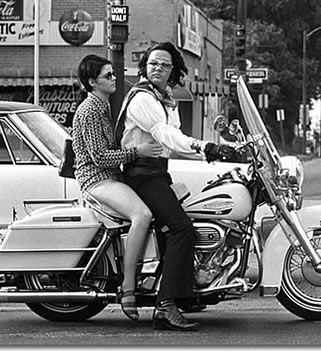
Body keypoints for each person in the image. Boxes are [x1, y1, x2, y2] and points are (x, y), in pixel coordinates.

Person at [115, 41, 232, 331]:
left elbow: (177, 137)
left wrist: (216, 149)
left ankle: (179, 295)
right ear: (145, 66)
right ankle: (166, 306)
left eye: (165, 65)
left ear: (172, 71)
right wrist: (205, 146)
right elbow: (165, 135)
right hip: (141, 176)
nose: (158, 68)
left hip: (157, 173)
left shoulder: (165, 98)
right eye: (153, 63)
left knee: (175, 231)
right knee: (181, 229)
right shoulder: (142, 98)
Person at [71, 54, 163, 321]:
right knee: (142, 215)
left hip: (111, 176)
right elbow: (99, 156)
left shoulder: (103, 104)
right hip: (96, 179)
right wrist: (137, 151)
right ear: (92, 82)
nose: (114, 79)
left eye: (113, 74)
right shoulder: (89, 110)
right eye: (107, 76)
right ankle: (129, 286)